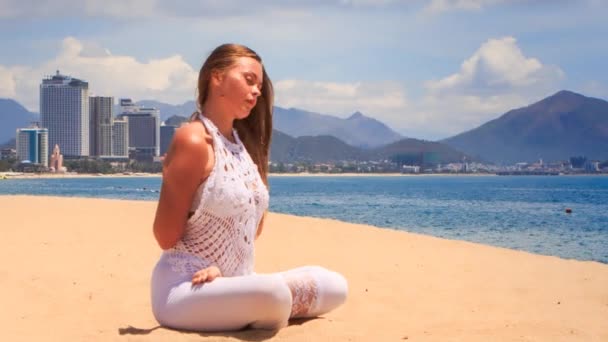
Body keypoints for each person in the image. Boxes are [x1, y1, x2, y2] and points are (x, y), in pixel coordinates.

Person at [150, 43, 348, 332]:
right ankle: (258, 302)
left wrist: (226, 274)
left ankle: (251, 300)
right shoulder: (193, 139)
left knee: (335, 286)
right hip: (184, 289)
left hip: (234, 281)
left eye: (259, 85)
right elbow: (165, 237)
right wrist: (171, 177)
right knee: (274, 294)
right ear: (216, 78)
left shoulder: (243, 147)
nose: (257, 91)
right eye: (249, 80)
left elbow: (252, 232)